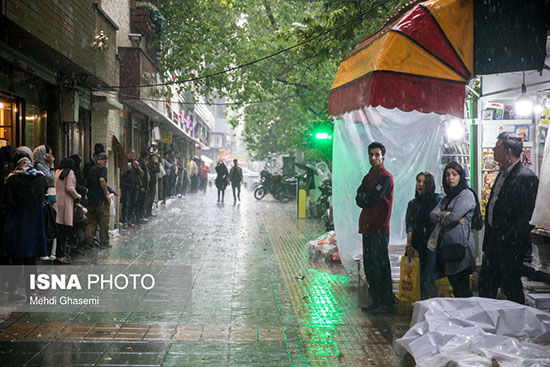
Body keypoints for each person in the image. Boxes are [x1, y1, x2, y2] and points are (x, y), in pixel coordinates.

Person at [479, 132, 539, 304]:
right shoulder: (502, 174)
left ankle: (518, 325)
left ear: (509, 151)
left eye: (497, 146)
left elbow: (526, 217)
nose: (493, 149)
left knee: (510, 288)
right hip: (493, 244)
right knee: (486, 286)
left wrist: (511, 241)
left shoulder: (526, 178)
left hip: (509, 247)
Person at [1, 153, 48, 300]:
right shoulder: (40, 177)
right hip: (33, 222)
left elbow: (5, 200)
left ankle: (13, 292)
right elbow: (43, 196)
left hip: (15, 222)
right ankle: (31, 292)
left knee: (15, 257)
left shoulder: (11, 179)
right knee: (30, 259)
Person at [355, 142, 394, 314]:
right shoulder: (368, 176)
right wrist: (366, 197)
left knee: (380, 266)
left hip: (379, 228)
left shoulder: (385, 177)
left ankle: (386, 302)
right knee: (369, 265)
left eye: (377, 154)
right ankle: (376, 300)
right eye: (371, 154)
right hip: (367, 227)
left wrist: (366, 197)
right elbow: (359, 198)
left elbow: (372, 198)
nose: (373, 158)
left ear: (383, 156)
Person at [430, 162, 477, 298]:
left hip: (461, 247)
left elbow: (453, 217)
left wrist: (446, 215)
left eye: (454, 175)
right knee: (455, 286)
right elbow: (432, 214)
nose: (450, 178)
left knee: (462, 287)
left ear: (460, 176)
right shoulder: (447, 198)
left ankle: (467, 316)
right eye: (447, 175)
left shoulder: (466, 195)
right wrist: (444, 214)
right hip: (448, 247)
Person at [405, 172, 442, 300]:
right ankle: (424, 308)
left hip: (431, 246)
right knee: (418, 279)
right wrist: (409, 245)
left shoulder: (436, 200)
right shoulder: (413, 204)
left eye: (423, 182)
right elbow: (409, 225)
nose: (419, 184)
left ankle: (435, 309)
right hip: (417, 245)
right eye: (418, 181)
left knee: (428, 278)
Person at [54, 158, 82, 264]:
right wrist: (77, 196)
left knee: (59, 231)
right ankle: (60, 257)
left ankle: (58, 255)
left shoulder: (57, 172)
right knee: (64, 232)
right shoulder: (70, 172)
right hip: (65, 204)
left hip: (56, 203)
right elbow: (69, 188)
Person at [85, 152, 111, 248]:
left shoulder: (91, 169)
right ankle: (104, 243)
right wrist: (106, 194)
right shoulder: (103, 168)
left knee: (92, 222)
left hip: (91, 199)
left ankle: (89, 241)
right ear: (105, 161)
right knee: (103, 222)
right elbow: (102, 180)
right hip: (100, 200)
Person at [120, 150, 142, 227]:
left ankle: (129, 219)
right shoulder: (124, 162)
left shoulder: (135, 163)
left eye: (133, 155)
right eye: (131, 154)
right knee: (126, 203)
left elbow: (141, 173)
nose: (132, 156)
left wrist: (138, 166)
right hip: (127, 186)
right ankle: (124, 220)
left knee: (133, 203)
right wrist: (126, 169)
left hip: (135, 186)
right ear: (127, 154)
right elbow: (121, 173)